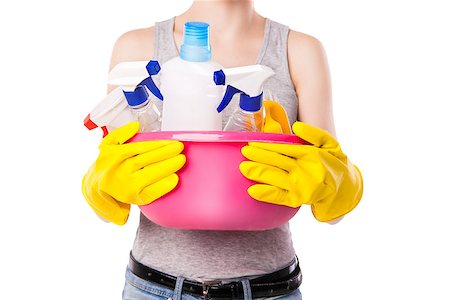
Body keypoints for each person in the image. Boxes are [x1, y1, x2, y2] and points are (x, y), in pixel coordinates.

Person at [81, 1, 363, 299]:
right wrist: (104, 184)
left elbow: (332, 210)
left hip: (269, 289)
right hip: (155, 289)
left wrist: (335, 184)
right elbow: (113, 187)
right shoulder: (136, 47)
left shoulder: (299, 50)